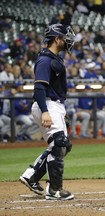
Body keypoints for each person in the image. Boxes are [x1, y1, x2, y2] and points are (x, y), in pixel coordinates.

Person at [19, 23, 76, 200]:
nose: (68, 39)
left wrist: (61, 111)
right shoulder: (45, 60)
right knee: (58, 144)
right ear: (57, 39)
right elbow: (39, 88)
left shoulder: (54, 58)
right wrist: (45, 111)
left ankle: (32, 175)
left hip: (55, 105)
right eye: (65, 37)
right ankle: (55, 190)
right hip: (47, 105)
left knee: (63, 146)